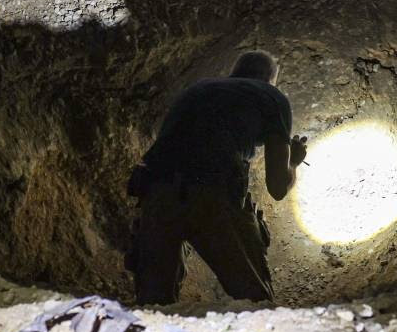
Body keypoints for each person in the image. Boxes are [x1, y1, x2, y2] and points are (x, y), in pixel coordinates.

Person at [126, 50, 307, 305]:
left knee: (154, 306)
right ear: (270, 79)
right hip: (212, 194)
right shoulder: (272, 96)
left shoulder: (197, 89)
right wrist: (294, 163)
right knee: (256, 304)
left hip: (156, 191)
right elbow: (277, 186)